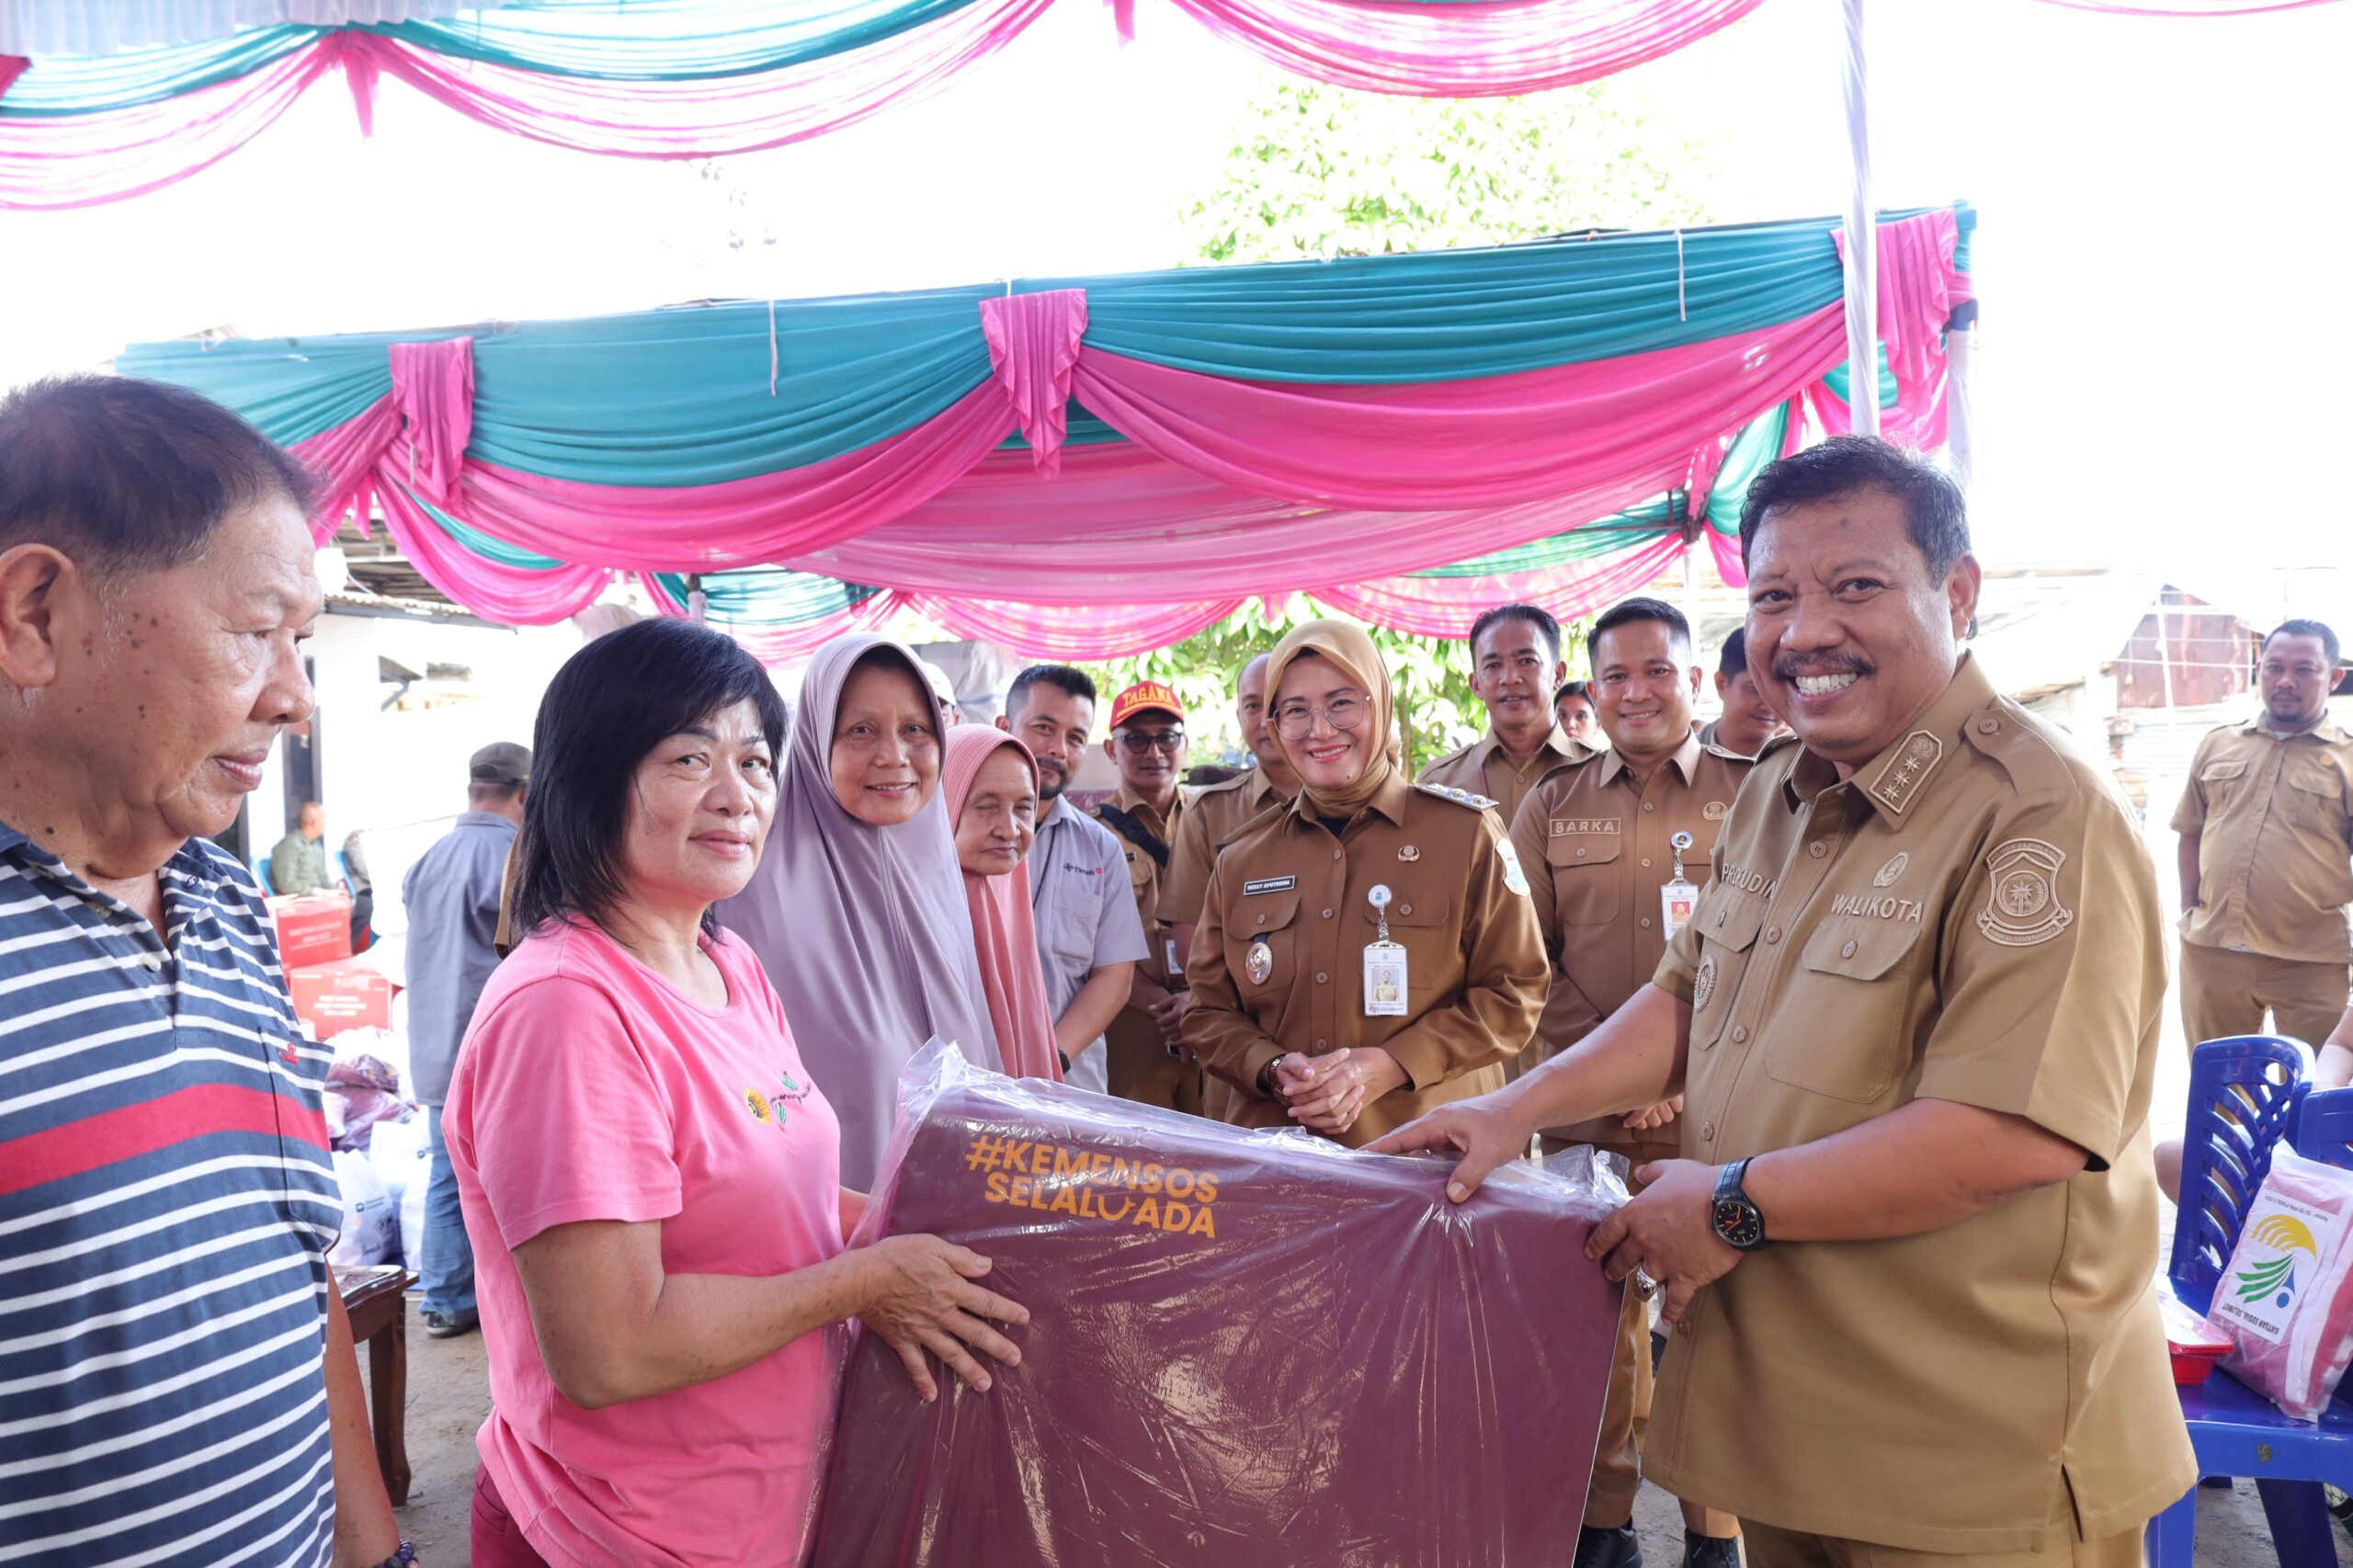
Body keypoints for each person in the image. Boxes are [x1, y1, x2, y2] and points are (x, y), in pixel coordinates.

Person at [1376, 437, 2194, 1568]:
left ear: (1956, 592)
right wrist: (1512, 1110)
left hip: (1968, 1456)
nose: (1804, 631)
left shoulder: (2042, 816)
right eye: (1772, 596)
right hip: (1791, 1424)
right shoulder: (1778, 792)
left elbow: (2013, 1130)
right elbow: (1684, 996)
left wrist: (1726, 1203)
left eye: (1854, 585)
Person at [450, 617, 1028, 1568]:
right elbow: (609, 1349)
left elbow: (783, 1199)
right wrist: (864, 1282)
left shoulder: (729, 964)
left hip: (760, 1509)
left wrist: (951, 1234)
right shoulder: (566, 1007)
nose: (737, 795)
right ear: (593, 776)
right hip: (621, 1531)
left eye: (755, 762)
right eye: (689, 758)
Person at [0, 375, 401, 1565]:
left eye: (303, 643)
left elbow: (297, 1267)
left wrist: (376, 1551)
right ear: (33, 614)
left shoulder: (225, 902)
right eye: (255, 630)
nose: (295, 697)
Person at [1507, 597, 1755, 1568]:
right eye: (1616, 674)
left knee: (1715, 1323)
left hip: (1724, 1114)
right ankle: (1605, 1523)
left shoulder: (1761, 791)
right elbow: (1526, 963)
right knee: (1596, 1330)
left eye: (1657, 671)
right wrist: (1609, 1081)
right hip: (1589, 1119)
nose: (1636, 691)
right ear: (1593, 688)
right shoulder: (1550, 803)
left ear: (1694, 680)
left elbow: (1777, 963)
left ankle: (1715, 1534)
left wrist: (1682, 1081)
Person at [1183, 620, 1547, 1145]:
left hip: (1428, 1161)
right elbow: (1206, 1011)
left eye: (1342, 703)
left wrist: (1393, 1063)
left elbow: (1515, 991)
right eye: (1296, 711)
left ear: (1381, 704)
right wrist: (1273, 1067)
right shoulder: (1242, 859)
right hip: (1278, 1160)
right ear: (1274, 725)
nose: (1321, 730)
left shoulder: (1465, 834)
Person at [715, 633, 1001, 1187]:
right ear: (815, 740)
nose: (894, 756)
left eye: (915, 729)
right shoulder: (747, 899)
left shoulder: (937, 872)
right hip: (826, 1224)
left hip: (955, 1210)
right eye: (861, 731)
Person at [399, 739, 532, 1340]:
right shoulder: (513, 859)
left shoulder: (428, 859)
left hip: (434, 1047)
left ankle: (446, 1298)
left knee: (447, 1178)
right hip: (492, 1049)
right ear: (525, 795)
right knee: (507, 1181)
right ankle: (496, 1304)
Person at [2173, 619, 2353, 1051]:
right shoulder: (2218, 744)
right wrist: (2191, 907)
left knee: (2322, 1082)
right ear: (2260, 670)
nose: (2286, 681)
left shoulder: (2348, 757)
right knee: (2217, 1081)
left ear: (2334, 677)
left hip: (2312, 962)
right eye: (2274, 667)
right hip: (2213, 954)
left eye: (2304, 669)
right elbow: (2191, 831)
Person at [1162, 653, 1304, 1119]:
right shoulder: (1210, 813)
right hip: (1243, 1059)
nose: (1266, 719)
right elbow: (1193, 947)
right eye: (1252, 705)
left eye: (1280, 703)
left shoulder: (1364, 808)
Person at [997, 665, 1146, 1095]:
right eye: (1044, 727)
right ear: (1004, 728)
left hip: (1069, 1087)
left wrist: (1049, 1062)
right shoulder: (949, 832)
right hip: (971, 1078)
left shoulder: (1100, 849)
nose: (1058, 749)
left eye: (1076, 737)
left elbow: (1114, 978)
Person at [1094, 681, 1202, 1113]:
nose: (1154, 752)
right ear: (1111, 749)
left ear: (1184, 745)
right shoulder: (1093, 833)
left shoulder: (1211, 820)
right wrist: (1166, 1007)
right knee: (1141, 1145)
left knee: (1219, 1141)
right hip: (1132, 1024)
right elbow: (1088, 940)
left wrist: (1199, 1001)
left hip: (1209, 1019)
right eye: (1136, 739)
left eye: (1166, 738)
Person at [944, 726, 1063, 1081]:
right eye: (986, 807)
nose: (1009, 830)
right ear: (944, 802)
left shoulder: (1010, 898)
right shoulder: (905, 915)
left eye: (1024, 808)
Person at [1421, 604, 1583, 826]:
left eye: (1527, 661)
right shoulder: (1439, 783)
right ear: (1476, 685)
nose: (1509, 678)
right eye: (1493, 665)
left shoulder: (1600, 776)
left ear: (1558, 674)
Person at [1698, 628, 1788, 758]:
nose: (1769, 706)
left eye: (1781, 691)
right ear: (1721, 684)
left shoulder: (1803, 766)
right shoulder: (1677, 760)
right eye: (1755, 689)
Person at [271, 799, 335, 893]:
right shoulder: (290, 845)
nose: (326, 823)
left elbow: (323, 878)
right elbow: (286, 885)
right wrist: (316, 892)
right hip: (300, 898)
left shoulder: (316, 845)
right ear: (314, 823)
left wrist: (336, 891)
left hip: (318, 897)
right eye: (323, 820)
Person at [1557, 679, 1604, 750]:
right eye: (1562, 715)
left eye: (1580, 717)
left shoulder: (1612, 757)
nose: (1570, 725)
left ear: (1598, 725)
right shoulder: (1539, 755)